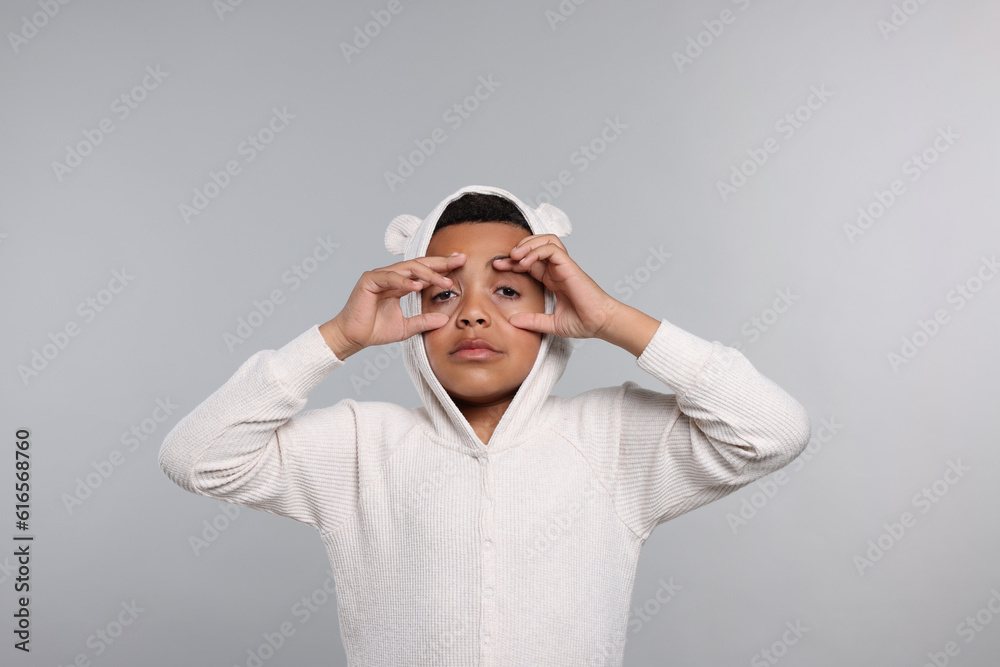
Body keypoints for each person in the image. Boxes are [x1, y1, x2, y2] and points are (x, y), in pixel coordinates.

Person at [157, 184, 812, 666]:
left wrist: (613, 317)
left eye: (506, 290)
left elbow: (772, 429)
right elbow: (197, 457)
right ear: (411, 316)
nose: (472, 314)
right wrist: (336, 338)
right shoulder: (361, 445)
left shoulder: (610, 438)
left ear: (555, 310)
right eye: (444, 294)